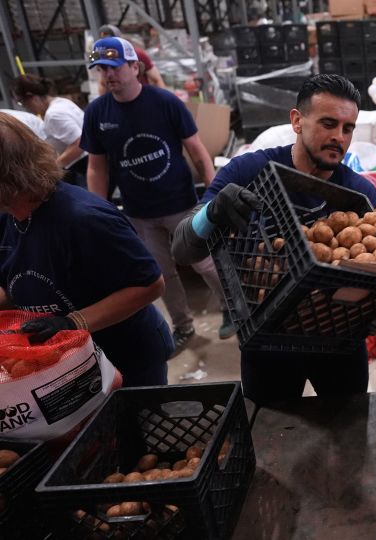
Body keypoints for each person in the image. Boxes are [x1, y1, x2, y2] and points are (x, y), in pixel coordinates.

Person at [171, 74, 376, 405]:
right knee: (270, 434)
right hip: (267, 340)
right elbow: (182, 250)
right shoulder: (248, 172)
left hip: (339, 340)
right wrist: (211, 212)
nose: (338, 137)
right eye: (328, 123)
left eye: (347, 128)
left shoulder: (359, 194)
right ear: (297, 121)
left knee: (348, 430)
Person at [81, 36, 235, 349]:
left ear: (135, 67)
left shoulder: (165, 103)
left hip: (181, 203)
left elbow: (196, 149)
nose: (108, 75)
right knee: (161, 273)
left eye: (115, 67)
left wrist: (213, 191)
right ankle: (182, 326)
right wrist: (95, 212)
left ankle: (233, 309)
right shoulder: (97, 113)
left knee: (204, 262)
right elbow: (98, 167)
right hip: (140, 212)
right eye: (102, 69)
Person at [0, 113, 172, 386]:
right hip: (66, 361)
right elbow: (10, 283)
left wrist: (72, 322)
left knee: (130, 425)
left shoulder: (84, 219)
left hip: (124, 356)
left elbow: (150, 285)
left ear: (8, 176)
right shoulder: (8, 217)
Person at [13, 74, 87, 185]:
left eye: (23, 103)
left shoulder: (53, 114)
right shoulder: (61, 102)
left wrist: (54, 168)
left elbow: (79, 143)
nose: (26, 108)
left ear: (32, 97)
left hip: (83, 166)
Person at [97, 24, 165, 90]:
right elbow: (102, 84)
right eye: (103, 40)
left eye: (109, 40)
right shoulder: (102, 57)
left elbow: (157, 79)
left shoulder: (136, 54)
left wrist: (163, 99)